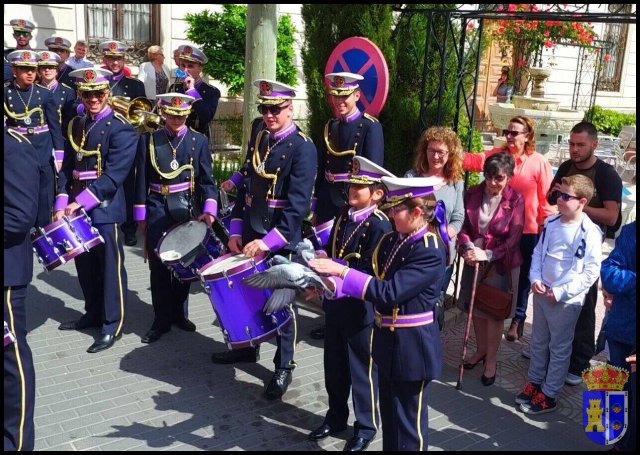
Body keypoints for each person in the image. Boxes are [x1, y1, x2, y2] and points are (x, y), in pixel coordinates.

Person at [309, 176, 447, 451]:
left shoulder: (429, 250)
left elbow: (389, 292)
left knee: (409, 428)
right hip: (388, 343)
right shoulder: (396, 240)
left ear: (417, 213)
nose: (392, 213)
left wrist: (342, 272)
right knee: (391, 422)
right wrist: (324, 281)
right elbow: (370, 277)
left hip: (412, 347)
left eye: (398, 209)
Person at [210, 80, 317, 401]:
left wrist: (267, 243)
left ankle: (284, 364)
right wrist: (237, 231)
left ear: (290, 108)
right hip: (252, 234)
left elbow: (297, 208)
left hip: (279, 239)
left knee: (280, 304)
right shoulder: (261, 137)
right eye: (264, 109)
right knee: (247, 295)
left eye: (276, 109)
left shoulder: (303, 147)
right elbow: (246, 191)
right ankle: (247, 347)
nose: (269, 115)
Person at [307, 156, 394, 451]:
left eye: (360, 186)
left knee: (362, 370)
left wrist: (337, 277)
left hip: (361, 309)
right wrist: (318, 273)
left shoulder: (381, 226)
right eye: (351, 185)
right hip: (335, 303)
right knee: (334, 364)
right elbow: (334, 252)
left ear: (378, 193)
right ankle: (335, 416)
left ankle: (366, 426)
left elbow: (374, 273)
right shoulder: (345, 213)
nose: (351, 191)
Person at [54, 67, 137, 353]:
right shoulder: (76, 124)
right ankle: (92, 314)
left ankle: (112, 324)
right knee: (85, 267)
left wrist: (81, 201)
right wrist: (61, 203)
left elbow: (115, 175)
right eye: (87, 94)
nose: (93, 99)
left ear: (107, 93)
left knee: (110, 269)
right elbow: (67, 168)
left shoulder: (121, 127)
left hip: (104, 208)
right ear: (80, 94)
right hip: (77, 207)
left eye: (99, 93)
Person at [134, 93, 218, 343]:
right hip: (158, 206)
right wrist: (141, 214)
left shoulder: (198, 141)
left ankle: (180, 314)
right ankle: (161, 320)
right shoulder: (149, 140)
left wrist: (210, 209)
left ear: (188, 114)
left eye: (181, 115)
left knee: (185, 264)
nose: (176, 118)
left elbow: (207, 180)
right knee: (159, 267)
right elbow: (140, 180)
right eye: (172, 114)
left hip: (186, 208)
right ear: (163, 112)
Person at [463, 115, 555, 342]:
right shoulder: (497, 155)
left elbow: (546, 198)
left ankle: (518, 318)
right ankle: (492, 310)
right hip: (496, 231)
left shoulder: (538, 161)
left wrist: (548, 229)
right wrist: (449, 154)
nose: (510, 136)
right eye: (507, 132)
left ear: (527, 136)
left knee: (522, 277)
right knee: (493, 277)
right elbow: (473, 162)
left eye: (515, 133)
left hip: (527, 229)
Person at [516, 175, 602, 414]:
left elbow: (591, 271)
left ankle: (550, 392)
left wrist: (562, 291)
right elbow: (538, 254)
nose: (559, 200)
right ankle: (535, 382)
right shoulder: (553, 223)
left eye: (566, 196)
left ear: (582, 202)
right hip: (543, 295)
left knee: (559, 347)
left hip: (565, 302)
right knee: (539, 342)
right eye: (558, 194)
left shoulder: (589, 232)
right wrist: (535, 279)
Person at [309, 71, 384, 340]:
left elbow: (373, 171)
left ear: (356, 95)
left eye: (344, 96)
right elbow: (322, 168)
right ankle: (329, 314)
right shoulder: (331, 126)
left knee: (348, 260)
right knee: (327, 257)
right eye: (335, 96)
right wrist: (316, 204)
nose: (339, 101)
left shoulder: (369, 127)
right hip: (330, 201)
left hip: (352, 201)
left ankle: (347, 315)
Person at [547, 121, 623, 386]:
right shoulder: (567, 168)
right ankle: (552, 353)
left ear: (594, 144)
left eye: (580, 144)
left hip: (587, 250)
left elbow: (612, 218)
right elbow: (551, 198)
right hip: (560, 246)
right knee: (554, 301)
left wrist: (576, 206)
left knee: (583, 305)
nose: (574, 149)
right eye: (571, 143)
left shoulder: (606, 174)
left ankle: (579, 362)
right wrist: (558, 196)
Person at [457, 153, 524, 386]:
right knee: (476, 308)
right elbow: (463, 225)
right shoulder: (473, 193)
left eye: (499, 178)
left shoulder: (516, 199)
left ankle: (491, 361)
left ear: (509, 177)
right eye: (488, 176)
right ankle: (480, 350)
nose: (492, 182)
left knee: (493, 312)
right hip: (473, 259)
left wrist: (488, 254)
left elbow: (514, 238)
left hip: (499, 264)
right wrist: (467, 247)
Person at [405, 126, 465, 328]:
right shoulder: (412, 177)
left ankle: (432, 345)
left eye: (441, 152)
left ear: (450, 154)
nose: (436, 156)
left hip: (442, 252)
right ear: (425, 151)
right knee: (414, 298)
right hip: (415, 249)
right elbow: (402, 210)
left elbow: (458, 216)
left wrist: (447, 233)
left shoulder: (456, 182)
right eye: (432, 150)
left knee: (435, 301)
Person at [4, 125, 40, 451]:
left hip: (6, 274)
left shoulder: (13, 147)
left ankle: (17, 442)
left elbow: (18, 216)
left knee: (11, 360)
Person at [4, 49, 65, 228]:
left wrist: (59, 154)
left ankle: (42, 230)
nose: (30, 73)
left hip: (42, 149)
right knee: (19, 191)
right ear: (14, 70)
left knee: (44, 194)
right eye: (24, 69)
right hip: (17, 150)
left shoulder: (45, 93)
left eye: (32, 69)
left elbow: (55, 126)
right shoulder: (6, 92)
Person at [100, 40, 147, 247]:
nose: (115, 62)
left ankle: (129, 229)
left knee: (128, 184)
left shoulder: (135, 85)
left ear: (123, 59)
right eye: (111, 58)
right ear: (104, 59)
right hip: (102, 139)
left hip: (127, 140)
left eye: (118, 58)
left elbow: (143, 113)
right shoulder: (99, 81)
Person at [601, 221, 636, 452]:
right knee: (617, 393)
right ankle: (616, 444)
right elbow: (608, 273)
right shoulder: (631, 232)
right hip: (621, 330)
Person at [168, 45, 220, 138]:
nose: (185, 70)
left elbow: (206, 117)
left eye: (190, 66)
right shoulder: (174, 87)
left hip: (197, 140)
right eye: (183, 65)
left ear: (200, 69)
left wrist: (192, 91)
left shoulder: (211, 91)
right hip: (175, 138)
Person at [36, 51, 77, 140]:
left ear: (56, 71)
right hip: (39, 138)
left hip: (62, 136)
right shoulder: (33, 90)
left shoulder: (67, 91)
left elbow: (70, 119)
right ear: (39, 71)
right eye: (43, 68)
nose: (47, 70)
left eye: (51, 67)